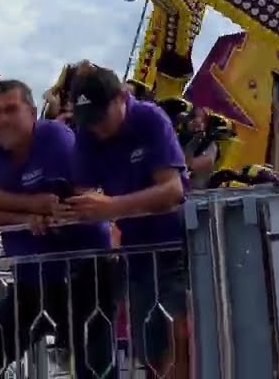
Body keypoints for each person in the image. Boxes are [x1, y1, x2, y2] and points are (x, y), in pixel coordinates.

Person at [0, 79, 116, 378]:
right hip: (32, 280)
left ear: (32, 113)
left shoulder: (55, 137)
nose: (1, 119)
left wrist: (0, 198)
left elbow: (69, 200)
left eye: (10, 109)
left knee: (94, 369)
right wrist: (28, 212)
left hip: (85, 274)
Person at [63, 67, 190, 376]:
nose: (96, 128)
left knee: (182, 339)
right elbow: (82, 193)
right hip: (136, 252)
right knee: (151, 347)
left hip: (179, 245)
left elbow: (173, 191)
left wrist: (111, 207)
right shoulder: (88, 132)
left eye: (100, 117)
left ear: (122, 98)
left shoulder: (149, 119)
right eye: (88, 120)